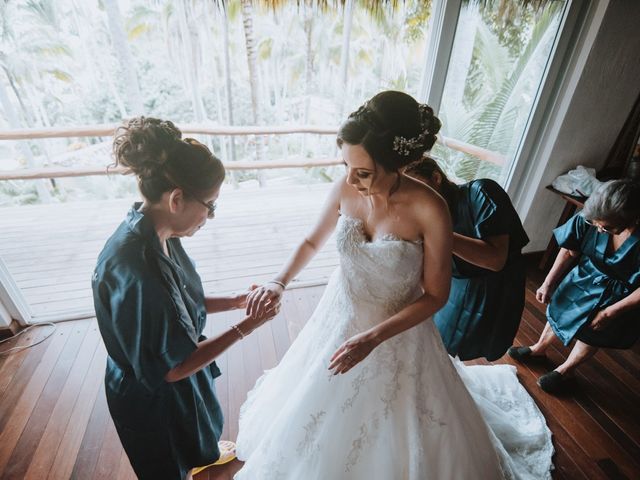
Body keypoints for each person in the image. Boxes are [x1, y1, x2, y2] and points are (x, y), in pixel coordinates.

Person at [233, 91, 553, 479]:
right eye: (345, 165)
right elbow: (311, 241)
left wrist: (373, 338)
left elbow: (436, 295)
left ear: (397, 164)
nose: (350, 179)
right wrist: (278, 281)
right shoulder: (345, 188)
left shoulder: (429, 208)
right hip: (340, 311)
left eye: (363, 172)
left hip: (396, 326)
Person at [91, 117, 279, 480]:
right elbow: (173, 368)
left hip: (167, 369)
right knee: (166, 466)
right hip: (150, 395)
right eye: (210, 205)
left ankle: (197, 456)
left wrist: (237, 300)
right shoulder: (139, 271)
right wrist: (247, 326)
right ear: (177, 199)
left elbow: (180, 301)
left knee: (191, 443)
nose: (209, 216)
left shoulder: (155, 229)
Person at [509, 179, 640, 393]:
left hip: (623, 293)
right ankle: (539, 349)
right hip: (586, 275)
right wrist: (548, 282)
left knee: (593, 330)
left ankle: (566, 371)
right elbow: (570, 249)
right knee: (559, 309)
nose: (598, 229)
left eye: (606, 227)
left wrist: (610, 313)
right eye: (594, 223)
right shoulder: (589, 217)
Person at [404, 157, 529, 361]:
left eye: (417, 186)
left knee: (472, 344)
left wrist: (438, 233)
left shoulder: (481, 192)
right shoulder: (420, 212)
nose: (413, 196)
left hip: (494, 287)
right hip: (453, 285)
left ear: (436, 178)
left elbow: (496, 260)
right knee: (439, 344)